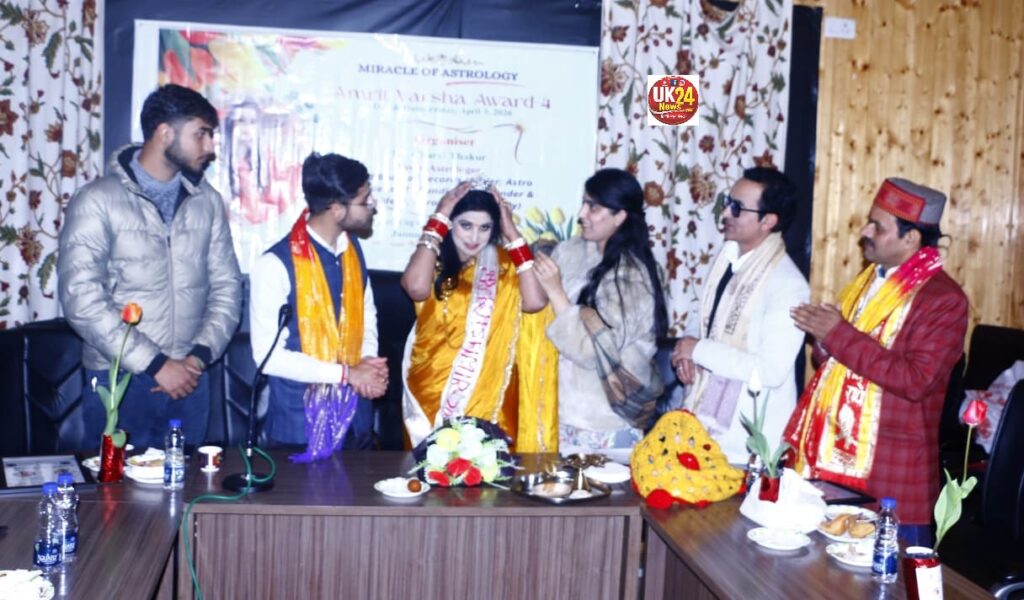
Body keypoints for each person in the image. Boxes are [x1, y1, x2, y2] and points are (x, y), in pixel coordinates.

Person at [784, 177, 968, 545]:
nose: (865, 232)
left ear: (911, 238)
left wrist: (836, 334)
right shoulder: (868, 281)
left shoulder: (943, 299)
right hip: (835, 455)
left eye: (877, 226)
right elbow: (844, 359)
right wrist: (824, 340)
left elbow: (916, 380)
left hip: (891, 474)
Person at [57, 84, 242, 448]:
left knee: (187, 483)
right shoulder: (98, 200)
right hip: (118, 377)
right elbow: (81, 298)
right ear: (165, 133)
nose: (210, 147)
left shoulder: (207, 201)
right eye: (201, 134)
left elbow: (227, 287)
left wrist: (197, 359)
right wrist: (156, 364)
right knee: (116, 486)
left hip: (191, 378)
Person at [249, 152, 387, 461]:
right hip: (298, 430)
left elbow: (367, 314)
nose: (372, 205)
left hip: (357, 423)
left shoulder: (352, 250)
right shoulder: (274, 265)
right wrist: (348, 374)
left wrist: (368, 364)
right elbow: (268, 358)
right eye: (364, 201)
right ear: (336, 209)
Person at [401, 183, 558, 452]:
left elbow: (535, 303)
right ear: (450, 223)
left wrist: (512, 233)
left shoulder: (505, 265)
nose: (474, 236)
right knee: (429, 467)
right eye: (466, 225)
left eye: (485, 228)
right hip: (431, 389)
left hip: (491, 392)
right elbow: (415, 288)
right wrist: (440, 215)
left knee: (488, 470)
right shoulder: (431, 258)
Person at [670, 168, 809, 464]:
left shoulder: (788, 285)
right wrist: (687, 352)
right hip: (700, 425)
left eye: (737, 208)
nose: (725, 213)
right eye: (727, 202)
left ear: (768, 221)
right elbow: (702, 319)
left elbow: (769, 371)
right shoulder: (727, 259)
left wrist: (699, 350)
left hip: (745, 442)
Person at [533, 168, 667, 452]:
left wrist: (556, 292)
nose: (582, 213)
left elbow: (590, 351)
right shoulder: (571, 251)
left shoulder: (632, 275)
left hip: (602, 423)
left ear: (620, 216)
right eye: (584, 203)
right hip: (560, 414)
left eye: (594, 207)